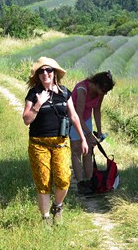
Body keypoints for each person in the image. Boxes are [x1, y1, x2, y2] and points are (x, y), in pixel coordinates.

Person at [22, 57, 88, 225]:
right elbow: (26, 119)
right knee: (43, 181)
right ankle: (45, 219)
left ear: (55, 73)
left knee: (64, 178)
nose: (45, 73)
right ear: (38, 75)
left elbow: (73, 116)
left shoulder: (65, 92)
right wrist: (38, 104)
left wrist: (82, 138)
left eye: (49, 70)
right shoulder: (33, 93)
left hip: (60, 142)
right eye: (42, 71)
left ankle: (57, 206)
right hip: (39, 143)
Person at [70, 71, 115, 195]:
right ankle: (80, 183)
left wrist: (99, 132)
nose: (105, 93)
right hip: (73, 118)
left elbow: (97, 111)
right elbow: (78, 115)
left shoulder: (101, 92)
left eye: (106, 91)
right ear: (96, 84)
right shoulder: (82, 89)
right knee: (76, 149)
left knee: (88, 150)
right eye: (104, 90)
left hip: (86, 118)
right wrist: (88, 135)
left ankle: (89, 182)